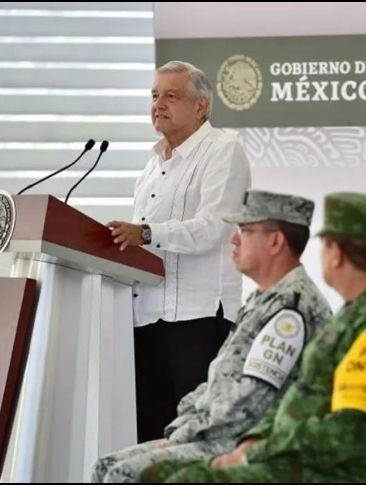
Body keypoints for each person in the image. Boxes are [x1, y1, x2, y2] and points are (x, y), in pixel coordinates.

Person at [141, 192, 366, 483]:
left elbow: (348, 433)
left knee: (182, 479)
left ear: (336, 254)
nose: (235, 238)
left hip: (334, 471)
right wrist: (254, 443)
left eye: (244, 230)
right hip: (300, 455)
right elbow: (300, 401)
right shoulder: (359, 312)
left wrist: (256, 451)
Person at [92, 190, 331, 482]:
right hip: (216, 435)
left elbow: (251, 400)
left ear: (275, 241)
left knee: (123, 475)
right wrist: (181, 426)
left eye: (245, 230)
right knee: (105, 466)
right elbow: (218, 381)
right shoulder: (263, 300)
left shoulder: (291, 308)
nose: (234, 238)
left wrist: (185, 433)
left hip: (250, 445)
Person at [106, 60, 251, 442]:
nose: (158, 104)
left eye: (172, 96)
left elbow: (212, 229)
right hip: (147, 320)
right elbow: (143, 246)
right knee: (152, 440)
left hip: (199, 320)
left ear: (201, 105)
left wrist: (146, 232)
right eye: (154, 96)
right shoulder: (151, 168)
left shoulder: (224, 150)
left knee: (198, 440)